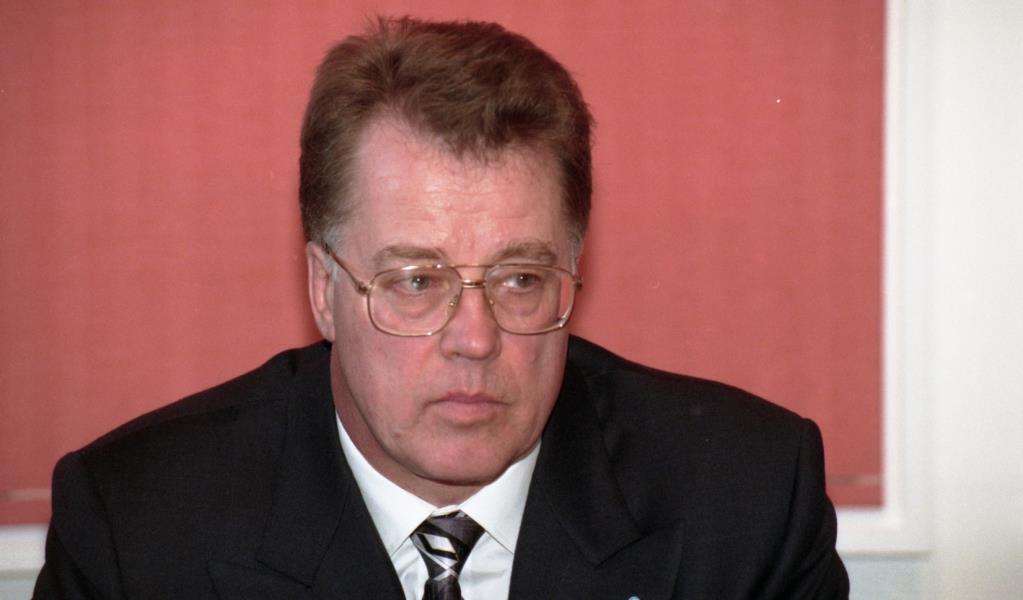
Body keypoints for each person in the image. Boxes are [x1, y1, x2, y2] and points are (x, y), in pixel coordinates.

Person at [33, 16, 849, 600]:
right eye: (417, 281)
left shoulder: (744, 501)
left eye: (519, 278)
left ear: (572, 272)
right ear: (323, 289)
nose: (475, 339)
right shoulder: (139, 525)